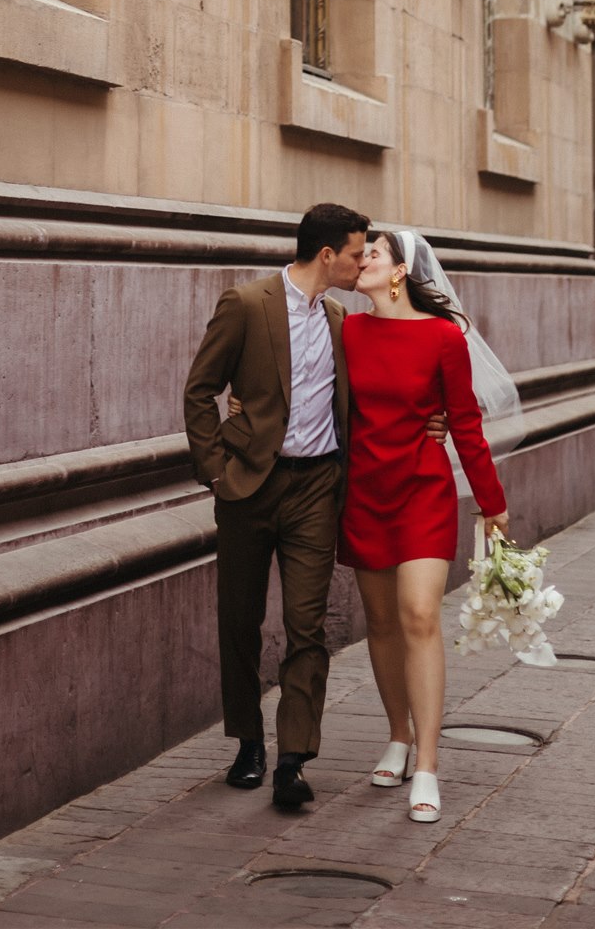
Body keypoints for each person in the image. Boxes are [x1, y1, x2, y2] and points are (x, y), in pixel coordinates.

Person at [183, 205, 447, 811]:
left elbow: (385, 383)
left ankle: (294, 760)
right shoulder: (247, 304)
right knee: (241, 620)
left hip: (316, 489)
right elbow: (201, 390)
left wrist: (434, 419)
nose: (364, 262)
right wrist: (216, 470)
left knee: (308, 628)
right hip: (248, 486)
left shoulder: (339, 321)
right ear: (328, 255)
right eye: (358, 252)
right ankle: (248, 740)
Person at [339, 226, 515, 826]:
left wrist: (491, 503)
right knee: (382, 622)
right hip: (363, 492)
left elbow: (464, 422)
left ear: (399, 272)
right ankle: (396, 736)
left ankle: (429, 766)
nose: (360, 260)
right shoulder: (349, 330)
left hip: (423, 490)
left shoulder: (444, 337)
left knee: (419, 615)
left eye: (373, 254)